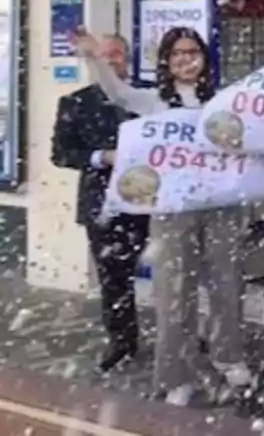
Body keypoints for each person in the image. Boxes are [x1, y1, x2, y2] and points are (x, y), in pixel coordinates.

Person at [74, 26, 254, 409]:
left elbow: (262, 111)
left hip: (221, 207)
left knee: (228, 286)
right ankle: (175, 374)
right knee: (175, 294)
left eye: (193, 53)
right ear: (167, 62)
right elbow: (117, 93)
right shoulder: (153, 101)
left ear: (205, 59)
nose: (186, 60)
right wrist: (94, 58)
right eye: (177, 54)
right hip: (172, 212)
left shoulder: (224, 100)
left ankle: (229, 357)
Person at [51, 33, 147, 372]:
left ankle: (182, 337)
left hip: (152, 200)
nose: (111, 61)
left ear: (128, 59)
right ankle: (122, 340)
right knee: (113, 278)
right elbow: (61, 154)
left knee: (174, 273)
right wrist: (99, 156)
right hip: (103, 202)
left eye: (117, 54)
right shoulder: (75, 103)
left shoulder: (147, 99)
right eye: (105, 55)